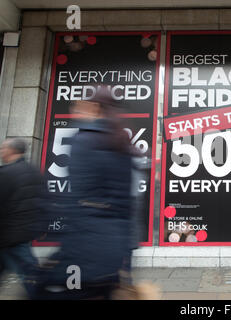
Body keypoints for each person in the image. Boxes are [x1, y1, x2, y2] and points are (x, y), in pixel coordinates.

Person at [37, 87, 134, 299]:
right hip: (113, 251)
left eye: (80, 104)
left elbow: (76, 203)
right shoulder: (121, 142)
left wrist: (63, 253)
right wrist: (126, 259)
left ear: (95, 107)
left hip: (83, 251)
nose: (75, 109)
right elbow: (127, 207)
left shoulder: (84, 140)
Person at [0, 138, 44, 298]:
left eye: (3, 149)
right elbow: (44, 202)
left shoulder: (6, 173)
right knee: (31, 276)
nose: (1, 152)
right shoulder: (34, 172)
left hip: (9, 237)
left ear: (12, 151)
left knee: (32, 278)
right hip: (22, 235)